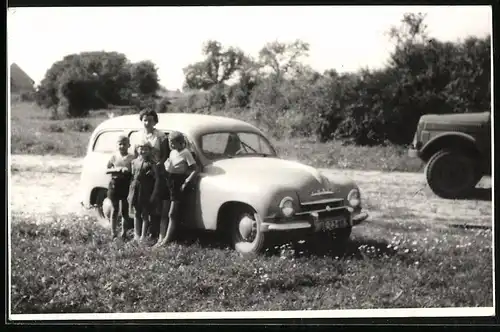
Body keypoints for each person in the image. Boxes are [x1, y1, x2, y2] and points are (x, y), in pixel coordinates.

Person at [156, 131, 198, 246]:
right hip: (168, 180)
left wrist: (186, 181)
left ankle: (166, 240)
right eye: (170, 142)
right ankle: (161, 237)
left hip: (178, 181)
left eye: (174, 143)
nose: (171, 145)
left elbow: (195, 169)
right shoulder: (172, 152)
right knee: (164, 212)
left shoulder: (186, 153)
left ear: (181, 143)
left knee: (172, 213)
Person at [133, 108, 170, 239]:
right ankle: (139, 233)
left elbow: (165, 154)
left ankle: (152, 232)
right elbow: (135, 154)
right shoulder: (138, 135)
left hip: (156, 171)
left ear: (155, 122)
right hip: (142, 170)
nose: (147, 123)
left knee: (154, 201)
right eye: (145, 120)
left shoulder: (160, 136)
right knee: (140, 201)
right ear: (141, 121)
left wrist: (159, 164)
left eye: (150, 120)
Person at [127, 140, 160, 244]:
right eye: (141, 148)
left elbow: (157, 179)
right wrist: (129, 193)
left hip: (146, 190)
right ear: (137, 149)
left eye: (146, 149)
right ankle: (136, 235)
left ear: (150, 151)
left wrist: (154, 194)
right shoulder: (134, 162)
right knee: (137, 212)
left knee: (145, 214)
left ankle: (143, 236)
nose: (143, 151)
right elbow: (132, 178)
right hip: (135, 190)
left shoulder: (152, 163)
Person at [106, 134, 135, 239]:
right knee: (114, 209)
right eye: (120, 144)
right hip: (115, 184)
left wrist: (129, 172)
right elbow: (107, 169)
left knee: (125, 211)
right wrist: (117, 169)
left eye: (124, 144)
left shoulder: (132, 157)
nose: (122, 146)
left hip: (126, 185)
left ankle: (124, 232)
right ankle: (113, 232)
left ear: (129, 145)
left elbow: (134, 170)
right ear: (117, 145)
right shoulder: (114, 156)